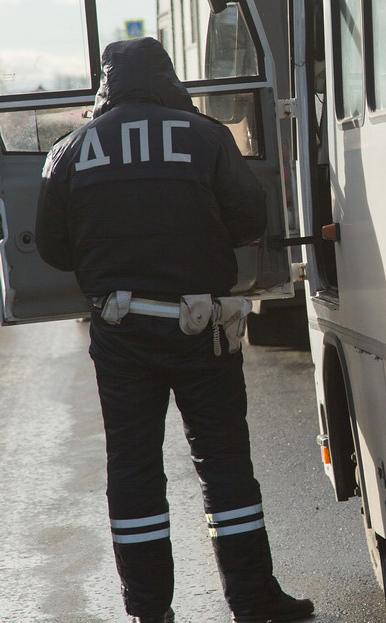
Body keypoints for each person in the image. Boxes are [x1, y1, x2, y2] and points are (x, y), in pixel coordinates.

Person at [35, 38, 314, 623]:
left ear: (106, 83)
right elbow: (249, 220)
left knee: (133, 471)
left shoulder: (69, 150)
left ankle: (148, 612)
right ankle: (255, 602)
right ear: (167, 78)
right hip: (200, 329)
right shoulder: (205, 136)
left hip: (121, 333)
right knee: (224, 466)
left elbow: (56, 250)